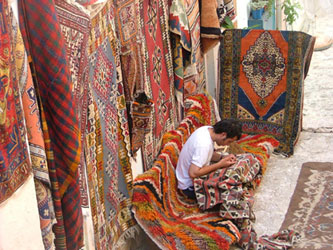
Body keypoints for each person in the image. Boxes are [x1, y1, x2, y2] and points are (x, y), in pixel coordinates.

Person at [176, 119, 242, 199]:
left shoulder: (207, 130)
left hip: (193, 176)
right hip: (190, 187)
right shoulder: (204, 144)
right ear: (223, 135)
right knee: (234, 194)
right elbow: (193, 173)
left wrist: (222, 157)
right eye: (229, 141)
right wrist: (220, 164)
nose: (228, 145)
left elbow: (207, 154)